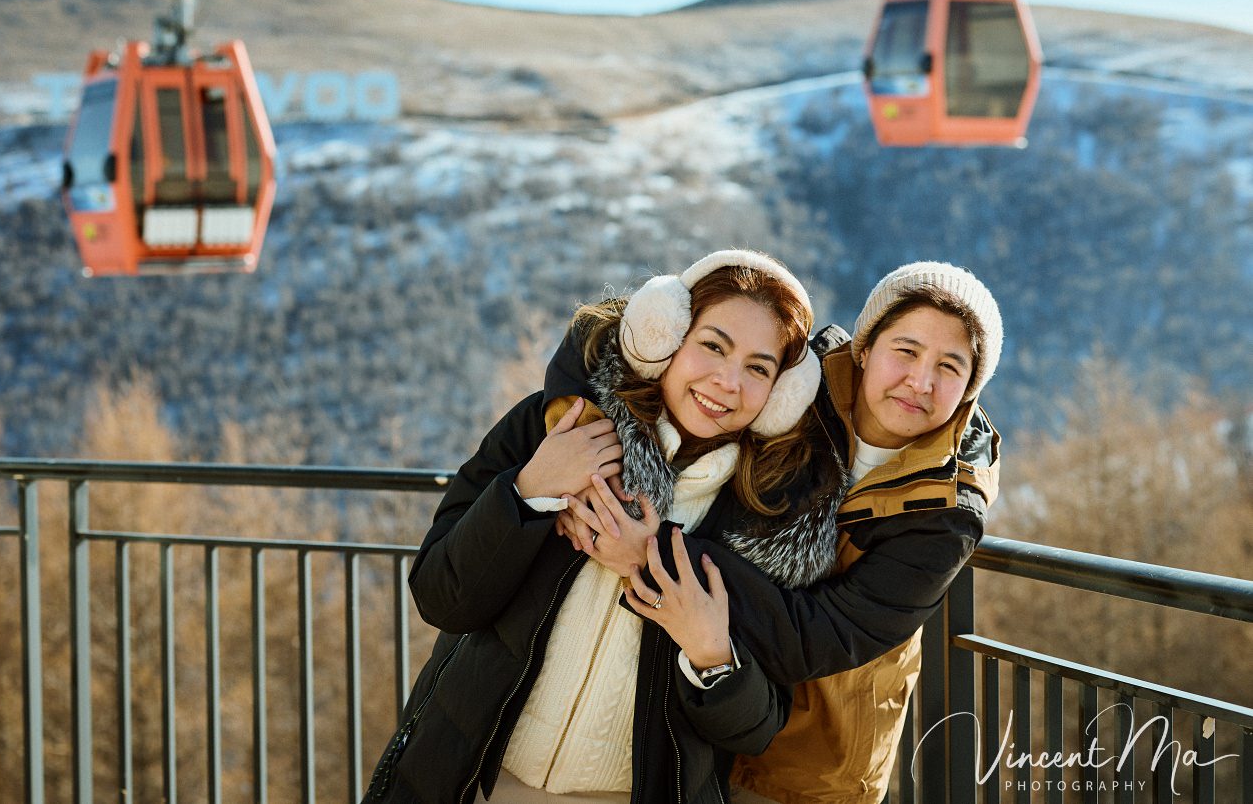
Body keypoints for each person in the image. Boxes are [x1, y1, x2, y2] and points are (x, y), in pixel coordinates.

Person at [360, 250, 824, 804]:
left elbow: (755, 730)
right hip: (472, 779)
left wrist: (711, 652)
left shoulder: (768, 519)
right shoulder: (551, 427)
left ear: (780, 396)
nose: (727, 382)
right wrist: (529, 489)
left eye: (758, 368)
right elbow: (440, 595)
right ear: (665, 338)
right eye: (713, 346)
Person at [549, 261, 1003, 804]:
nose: (920, 381)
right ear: (864, 349)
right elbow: (609, 337)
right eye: (906, 351)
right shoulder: (801, 386)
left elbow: (819, 638)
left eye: (949, 367)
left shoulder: (947, 512)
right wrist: (579, 444)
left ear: (969, 388)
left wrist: (651, 551)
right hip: (695, 720)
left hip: (809, 765)